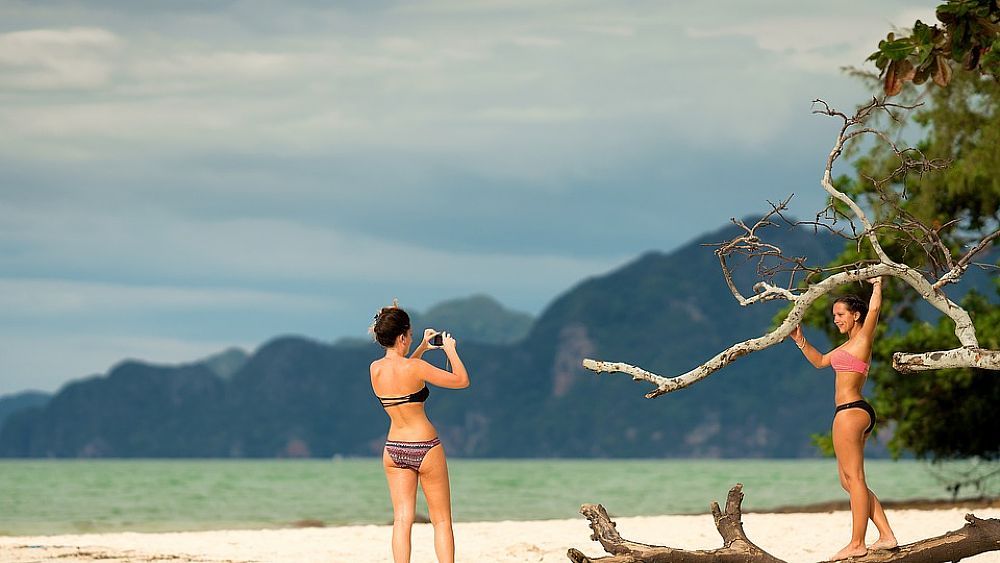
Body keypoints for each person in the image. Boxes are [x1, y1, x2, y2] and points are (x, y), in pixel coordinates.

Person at [790, 277, 898, 561]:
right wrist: (800, 339)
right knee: (848, 481)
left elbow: (874, 311)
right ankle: (886, 536)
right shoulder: (844, 348)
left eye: (840, 315)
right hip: (853, 410)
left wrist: (877, 285)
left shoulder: (862, 338)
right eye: (834, 315)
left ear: (855, 315)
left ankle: (857, 543)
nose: (836, 319)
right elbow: (820, 361)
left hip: (851, 410)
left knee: (856, 478)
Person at [370, 302, 470, 563]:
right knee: (441, 521)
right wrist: (450, 350)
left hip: (394, 449)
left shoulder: (376, 369)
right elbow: (461, 380)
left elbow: (404, 372)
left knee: (402, 520)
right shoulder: (414, 368)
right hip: (424, 447)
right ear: (402, 336)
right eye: (411, 335)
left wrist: (423, 347)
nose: (412, 338)